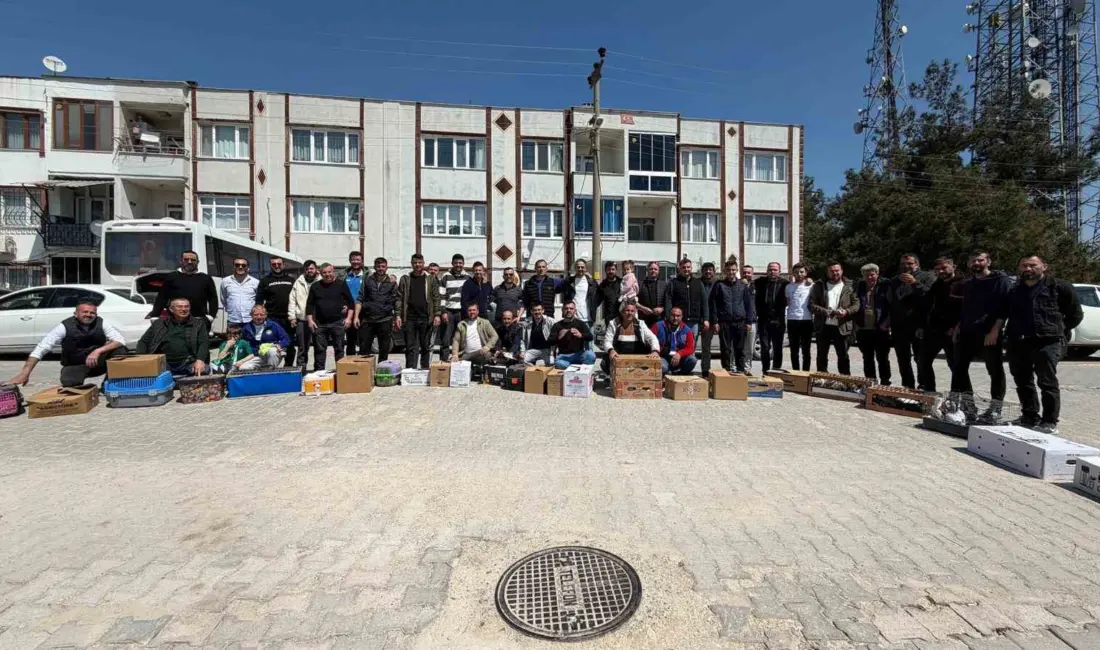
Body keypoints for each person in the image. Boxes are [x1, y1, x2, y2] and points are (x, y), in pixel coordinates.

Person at [1003, 255, 1083, 434]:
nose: (1028, 269)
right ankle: (1029, 416)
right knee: (1022, 381)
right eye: (1024, 265)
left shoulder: (1060, 287)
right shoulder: (1015, 290)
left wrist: (1057, 329)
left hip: (1048, 341)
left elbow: (1075, 314)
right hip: (1019, 341)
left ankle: (1049, 421)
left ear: (1044, 267)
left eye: (1033, 265)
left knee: (1047, 382)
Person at [6, 300, 125, 387]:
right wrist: (24, 374)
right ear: (75, 314)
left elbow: (120, 340)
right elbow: (41, 348)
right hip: (75, 364)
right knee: (70, 383)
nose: (88, 315)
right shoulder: (64, 326)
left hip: (97, 362)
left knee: (121, 350)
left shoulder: (102, 323)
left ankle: (109, 384)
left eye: (92, 312)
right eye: (85, 312)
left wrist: (98, 351)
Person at [952, 251, 1012, 419]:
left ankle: (995, 408)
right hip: (966, 332)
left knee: (994, 371)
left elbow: (1004, 307)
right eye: (973, 260)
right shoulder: (969, 283)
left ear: (988, 262)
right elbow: (966, 307)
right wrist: (958, 326)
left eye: (980, 260)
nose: (976, 263)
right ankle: (968, 406)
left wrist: (995, 330)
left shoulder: (1000, 280)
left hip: (988, 334)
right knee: (959, 369)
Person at [887, 254, 935, 389]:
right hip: (899, 327)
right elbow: (892, 302)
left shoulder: (928, 277)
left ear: (917, 264)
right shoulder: (895, 280)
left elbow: (930, 297)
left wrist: (915, 283)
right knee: (903, 359)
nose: (905, 266)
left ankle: (924, 386)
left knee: (921, 360)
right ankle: (908, 386)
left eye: (909, 263)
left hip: (919, 326)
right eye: (902, 264)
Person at [919, 256, 964, 392]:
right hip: (935, 330)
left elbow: (967, 308)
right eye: (937, 269)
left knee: (955, 366)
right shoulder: (937, 284)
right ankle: (929, 391)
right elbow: (929, 305)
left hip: (954, 331)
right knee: (923, 360)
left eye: (944, 268)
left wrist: (957, 327)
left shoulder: (964, 283)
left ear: (953, 267)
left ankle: (955, 396)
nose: (941, 271)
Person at [136, 297, 210, 376]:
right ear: (171, 309)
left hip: (187, 363)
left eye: (186, 306)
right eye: (179, 306)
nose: (184, 309)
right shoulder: (160, 323)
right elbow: (143, 342)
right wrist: (142, 359)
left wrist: (200, 360)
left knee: (204, 369)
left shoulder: (198, 324)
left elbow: (203, 343)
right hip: (164, 364)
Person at [396, 253, 442, 370]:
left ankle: (425, 369)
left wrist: (437, 314)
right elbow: (399, 298)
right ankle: (410, 370)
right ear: (412, 264)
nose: (417, 265)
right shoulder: (405, 279)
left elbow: (436, 297)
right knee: (410, 346)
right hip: (410, 318)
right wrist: (398, 315)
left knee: (426, 346)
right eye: (415, 263)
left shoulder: (430, 279)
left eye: (420, 263)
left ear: (423, 263)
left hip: (426, 317)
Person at [305, 263, 354, 372]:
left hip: (337, 323)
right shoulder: (315, 286)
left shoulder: (341, 284)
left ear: (333, 272)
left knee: (339, 350)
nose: (327, 274)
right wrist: (310, 320)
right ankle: (319, 374)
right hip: (320, 323)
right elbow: (309, 305)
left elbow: (351, 303)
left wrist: (349, 318)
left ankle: (341, 374)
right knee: (320, 351)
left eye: (329, 272)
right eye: (324, 272)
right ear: (320, 273)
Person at [710, 260, 756, 373]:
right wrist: (715, 321)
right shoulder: (719, 285)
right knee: (725, 349)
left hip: (740, 322)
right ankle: (726, 371)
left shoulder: (742, 286)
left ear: (736, 270)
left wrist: (749, 322)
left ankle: (740, 372)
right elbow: (713, 304)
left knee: (740, 349)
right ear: (725, 270)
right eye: (729, 270)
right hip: (724, 322)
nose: (731, 272)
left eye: (733, 270)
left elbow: (748, 304)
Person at [810, 262, 856, 375]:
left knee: (843, 355)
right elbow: (811, 305)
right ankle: (821, 379)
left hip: (841, 325)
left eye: (837, 270)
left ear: (841, 271)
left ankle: (845, 381)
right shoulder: (819, 285)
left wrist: (846, 311)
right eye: (832, 271)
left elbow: (856, 304)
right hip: (823, 326)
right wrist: (825, 312)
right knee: (821, 355)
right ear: (827, 272)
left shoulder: (850, 286)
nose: (835, 273)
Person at [147, 250, 219, 322]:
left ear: (198, 262)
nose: (189, 262)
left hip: (199, 320)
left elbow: (213, 299)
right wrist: (155, 315)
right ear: (181, 261)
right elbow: (162, 297)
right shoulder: (172, 277)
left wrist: (211, 316)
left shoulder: (206, 278)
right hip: (175, 321)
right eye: (186, 259)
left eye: (193, 260)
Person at [855, 263, 892, 385]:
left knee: (882, 358)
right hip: (863, 328)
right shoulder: (859, 286)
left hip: (880, 328)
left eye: (872, 274)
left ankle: (885, 382)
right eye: (866, 275)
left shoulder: (886, 285)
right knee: (867, 358)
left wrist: (887, 323)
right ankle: (871, 382)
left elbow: (892, 306)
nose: (870, 278)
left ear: (877, 274)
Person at [354, 256, 397, 361]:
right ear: (374, 267)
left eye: (383, 266)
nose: (381, 268)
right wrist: (356, 317)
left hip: (385, 319)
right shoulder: (367, 280)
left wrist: (396, 318)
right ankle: (364, 371)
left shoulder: (392, 282)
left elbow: (396, 301)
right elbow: (360, 298)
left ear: (387, 267)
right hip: (368, 319)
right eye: (378, 266)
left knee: (384, 349)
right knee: (364, 349)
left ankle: (381, 372)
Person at [257, 255, 297, 367]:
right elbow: (259, 300)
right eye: (274, 264)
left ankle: (288, 367)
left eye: (279, 264)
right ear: (270, 265)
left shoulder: (291, 280)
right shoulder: (265, 281)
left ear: (283, 265)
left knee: (289, 344)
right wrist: (260, 316)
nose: (277, 266)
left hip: (289, 318)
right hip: (272, 319)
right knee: (271, 345)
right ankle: (272, 367)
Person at [601, 302, 661, 374]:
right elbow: (607, 341)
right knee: (604, 363)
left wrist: (655, 351)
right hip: (619, 358)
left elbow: (652, 338)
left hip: (638, 359)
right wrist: (611, 350)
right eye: (627, 310)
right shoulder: (613, 323)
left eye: (632, 311)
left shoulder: (641, 324)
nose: (630, 313)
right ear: (622, 312)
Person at [663, 258, 709, 351]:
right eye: (683, 267)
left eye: (688, 267)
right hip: (678, 321)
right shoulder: (673, 283)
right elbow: (668, 300)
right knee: (677, 346)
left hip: (694, 322)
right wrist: (669, 315)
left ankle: (689, 364)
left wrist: (706, 319)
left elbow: (704, 301)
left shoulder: (698, 283)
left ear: (691, 268)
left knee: (691, 347)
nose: (686, 269)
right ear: (679, 268)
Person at [754, 262, 789, 373]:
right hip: (764, 320)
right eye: (770, 269)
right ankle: (765, 370)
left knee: (777, 347)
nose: (772, 272)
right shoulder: (760, 282)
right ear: (767, 271)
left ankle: (776, 370)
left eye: (774, 269)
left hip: (778, 320)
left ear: (779, 271)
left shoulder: (785, 284)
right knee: (764, 347)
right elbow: (748, 280)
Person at [287, 260, 320, 369]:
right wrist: (292, 317)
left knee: (319, 347)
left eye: (311, 268)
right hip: (302, 319)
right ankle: (301, 370)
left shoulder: (321, 281)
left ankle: (318, 369)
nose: (309, 271)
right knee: (302, 348)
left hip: (318, 319)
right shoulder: (298, 282)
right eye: (307, 269)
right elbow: (292, 300)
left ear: (316, 269)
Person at [439, 254, 470, 362]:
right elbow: (441, 295)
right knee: (445, 339)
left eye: (460, 263)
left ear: (463, 264)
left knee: (462, 338)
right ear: (452, 263)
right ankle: (443, 363)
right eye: (456, 263)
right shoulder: (445, 276)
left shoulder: (467, 277)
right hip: (448, 311)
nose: (458, 265)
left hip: (462, 312)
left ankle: (461, 363)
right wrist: (443, 311)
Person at [652, 306, 698, 375]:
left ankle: (680, 374)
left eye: (678, 316)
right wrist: (654, 351)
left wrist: (680, 354)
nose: (675, 318)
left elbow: (690, 348)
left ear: (682, 317)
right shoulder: (658, 326)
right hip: (663, 357)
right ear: (668, 315)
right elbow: (649, 340)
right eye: (673, 315)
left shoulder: (687, 330)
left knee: (692, 360)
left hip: (680, 358)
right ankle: (668, 373)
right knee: (663, 367)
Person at [786, 263, 814, 371]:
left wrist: (811, 280)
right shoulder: (789, 287)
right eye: (796, 272)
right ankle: (796, 372)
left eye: (802, 272)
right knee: (794, 350)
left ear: (806, 273)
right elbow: (788, 301)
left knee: (806, 350)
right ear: (793, 273)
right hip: (792, 319)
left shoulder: (811, 285)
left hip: (806, 320)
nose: (799, 274)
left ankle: (806, 372)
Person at [550, 300, 596, 368]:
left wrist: (581, 335)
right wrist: (558, 337)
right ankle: (576, 368)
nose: (568, 310)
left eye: (571, 308)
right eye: (566, 308)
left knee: (591, 355)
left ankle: (575, 368)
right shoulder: (557, 325)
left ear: (575, 311)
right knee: (558, 363)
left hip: (578, 354)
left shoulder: (580, 323)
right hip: (564, 356)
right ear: (562, 310)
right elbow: (549, 341)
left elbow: (590, 337)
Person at [219, 256, 259, 328]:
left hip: (250, 320)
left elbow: (258, 300)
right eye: (237, 265)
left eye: (243, 265)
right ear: (233, 267)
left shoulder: (255, 282)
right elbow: (223, 299)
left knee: (250, 339)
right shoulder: (225, 281)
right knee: (233, 339)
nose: (240, 267)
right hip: (232, 320)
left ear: (248, 268)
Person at [341, 251, 367, 355]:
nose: (355, 262)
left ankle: (363, 366)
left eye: (358, 260)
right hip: (348, 312)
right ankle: (350, 364)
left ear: (362, 261)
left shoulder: (368, 276)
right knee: (350, 341)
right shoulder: (343, 276)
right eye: (353, 259)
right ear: (350, 261)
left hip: (363, 312)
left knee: (364, 340)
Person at [561, 259, 597, 325]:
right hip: (572, 318)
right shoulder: (569, 281)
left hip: (588, 319)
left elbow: (597, 298)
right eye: (578, 267)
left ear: (586, 269)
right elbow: (565, 298)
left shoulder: (592, 282)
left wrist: (593, 307)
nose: (580, 269)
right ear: (575, 268)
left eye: (582, 267)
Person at [698, 263, 718, 377]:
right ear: (702, 271)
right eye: (706, 270)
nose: (708, 272)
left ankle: (707, 370)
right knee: (699, 347)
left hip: (712, 319)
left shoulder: (718, 284)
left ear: (714, 271)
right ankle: (703, 371)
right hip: (698, 319)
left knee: (707, 347)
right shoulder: (697, 283)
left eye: (710, 270)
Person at [593, 261, 623, 327]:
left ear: (616, 270)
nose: (611, 271)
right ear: (605, 271)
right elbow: (595, 302)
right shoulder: (602, 286)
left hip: (623, 317)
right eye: (608, 269)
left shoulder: (622, 282)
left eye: (613, 269)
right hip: (609, 318)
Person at [637, 261, 666, 328]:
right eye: (651, 269)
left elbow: (668, 301)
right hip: (644, 319)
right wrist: (643, 308)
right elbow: (634, 300)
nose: (653, 271)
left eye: (655, 269)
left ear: (658, 271)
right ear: (647, 270)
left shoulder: (664, 285)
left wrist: (662, 309)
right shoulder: (640, 284)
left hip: (659, 319)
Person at [741, 265, 757, 373]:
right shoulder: (737, 285)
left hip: (752, 321)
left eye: (748, 272)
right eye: (744, 272)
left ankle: (747, 369)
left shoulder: (758, 285)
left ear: (753, 274)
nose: (746, 274)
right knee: (736, 347)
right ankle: (735, 368)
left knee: (749, 348)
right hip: (738, 320)